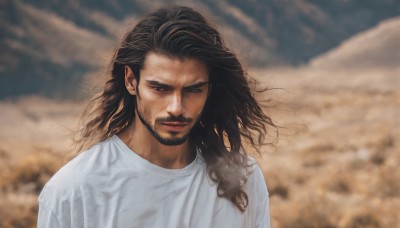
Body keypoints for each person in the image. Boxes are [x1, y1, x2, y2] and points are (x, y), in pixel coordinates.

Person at [38, 5, 276, 228]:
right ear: (132, 81)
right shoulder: (73, 190)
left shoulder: (243, 180)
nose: (176, 107)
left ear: (210, 89)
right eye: (160, 88)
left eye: (193, 89)